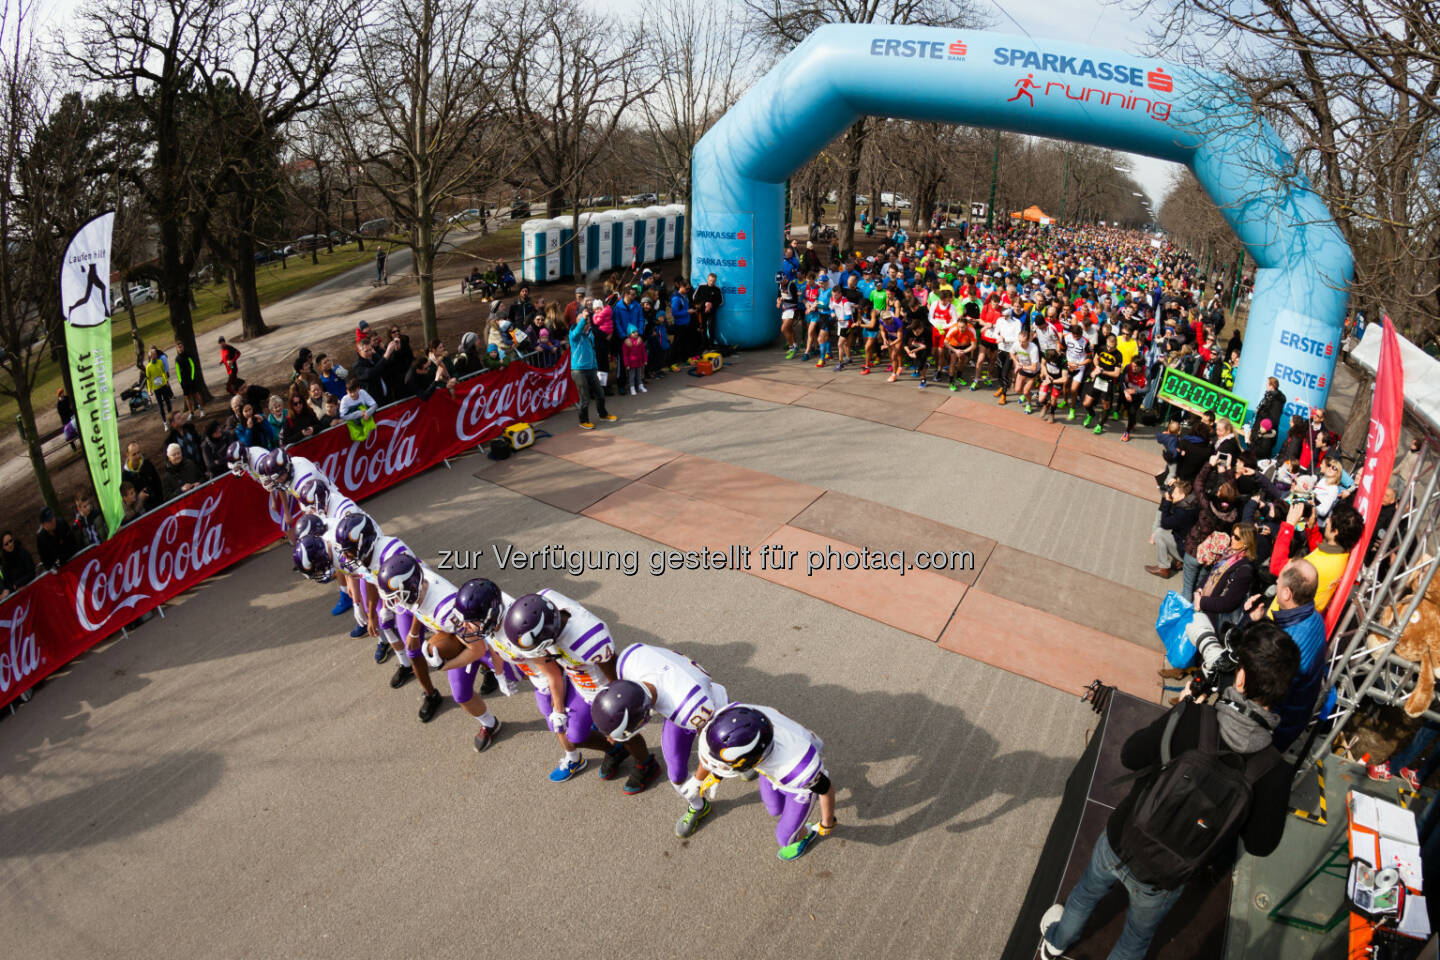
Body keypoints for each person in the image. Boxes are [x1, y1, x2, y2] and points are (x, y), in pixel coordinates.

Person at [1040, 621, 1298, 960]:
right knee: (1135, 939)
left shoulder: (1195, 718)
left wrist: (1182, 710)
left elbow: (1131, 754)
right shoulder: (1274, 771)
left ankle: (1056, 942)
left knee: (1086, 893)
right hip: (1168, 874)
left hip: (1124, 837)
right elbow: (1260, 845)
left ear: (1240, 678)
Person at [491, 590, 660, 789]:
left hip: (602, 688)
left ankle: (646, 763)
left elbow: (613, 673)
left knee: (623, 730)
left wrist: (617, 707)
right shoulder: (543, 604)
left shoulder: (588, 640)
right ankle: (615, 751)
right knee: (575, 736)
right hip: (579, 683)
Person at [590, 643, 732, 837]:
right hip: (685, 697)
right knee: (677, 776)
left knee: (731, 754)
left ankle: (749, 761)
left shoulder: (692, 711)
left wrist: (703, 779)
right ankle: (698, 806)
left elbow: (714, 748)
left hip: (713, 711)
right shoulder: (629, 660)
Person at [378, 554, 503, 747]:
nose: (395, 603)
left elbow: (477, 648)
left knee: (520, 674)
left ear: (410, 588)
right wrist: (413, 633)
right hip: (457, 634)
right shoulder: (418, 585)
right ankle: (489, 724)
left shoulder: (446, 612)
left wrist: (446, 665)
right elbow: (419, 607)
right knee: (461, 694)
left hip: (481, 642)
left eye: (397, 597)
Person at [695, 703, 839, 861]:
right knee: (774, 809)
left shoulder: (801, 769)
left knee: (785, 839)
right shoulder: (742, 716)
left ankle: (807, 833)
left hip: (797, 787)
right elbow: (777, 713)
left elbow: (825, 788)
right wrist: (717, 774)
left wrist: (827, 822)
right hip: (771, 770)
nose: (717, 766)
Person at [1267, 501, 1363, 613]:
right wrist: (1312, 528)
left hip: (1280, 617)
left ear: (1335, 532)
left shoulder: (1317, 566)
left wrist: (1288, 526)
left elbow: (1276, 566)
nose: (1327, 520)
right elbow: (1321, 552)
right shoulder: (1342, 557)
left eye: (1330, 520)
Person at [568, 302, 616, 430]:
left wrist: (595, 367)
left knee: (600, 393)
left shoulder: (589, 335)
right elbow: (578, 330)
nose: (587, 324)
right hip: (578, 371)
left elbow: (592, 353)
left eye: (588, 322)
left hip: (591, 369)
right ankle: (583, 421)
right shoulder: (574, 334)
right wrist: (583, 319)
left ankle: (602, 414)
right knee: (585, 398)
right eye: (584, 322)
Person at [122, 441, 164, 509]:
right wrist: (139, 498)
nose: (137, 456)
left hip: (157, 505)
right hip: (141, 511)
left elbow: (158, 483)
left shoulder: (147, 464)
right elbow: (127, 499)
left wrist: (161, 502)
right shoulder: (125, 476)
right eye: (134, 454)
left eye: (139, 452)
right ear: (127, 455)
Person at [692, 272, 724, 349]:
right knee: (702, 327)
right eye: (710, 280)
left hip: (712, 312)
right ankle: (704, 344)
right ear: (707, 279)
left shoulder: (717, 289)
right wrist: (705, 304)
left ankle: (711, 344)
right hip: (702, 311)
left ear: (715, 281)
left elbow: (721, 301)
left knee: (711, 328)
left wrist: (711, 304)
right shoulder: (701, 287)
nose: (711, 282)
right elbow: (694, 298)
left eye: (713, 281)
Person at [144, 345, 174, 424]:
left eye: (156, 354)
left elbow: (163, 373)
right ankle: (165, 422)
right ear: (150, 356)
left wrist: (166, 381)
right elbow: (148, 380)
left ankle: (171, 418)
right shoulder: (148, 367)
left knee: (168, 402)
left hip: (163, 385)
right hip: (156, 389)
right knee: (160, 405)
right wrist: (149, 390)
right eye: (154, 354)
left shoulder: (160, 362)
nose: (155, 355)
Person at [174, 340, 202, 417]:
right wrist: (180, 381)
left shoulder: (188, 355)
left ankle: (201, 410)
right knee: (187, 397)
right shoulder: (177, 359)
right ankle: (191, 412)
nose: (180, 348)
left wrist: (192, 376)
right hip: (184, 380)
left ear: (183, 347)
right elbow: (177, 371)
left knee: (196, 394)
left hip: (191, 378)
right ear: (176, 348)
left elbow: (192, 366)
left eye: (181, 346)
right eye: (178, 347)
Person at [621, 329, 647, 396]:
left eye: (636, 332)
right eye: (633, 332)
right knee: (631, 376)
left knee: (639, 375)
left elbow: (643, 351)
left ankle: (640, 385)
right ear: (630, 334)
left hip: (639, 362)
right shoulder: (627, 343)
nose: (636, 333)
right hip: (631, 363)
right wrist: (627, 364)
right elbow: (625, 355)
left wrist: (645, 360)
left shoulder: (640, 341)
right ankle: (632, 387)